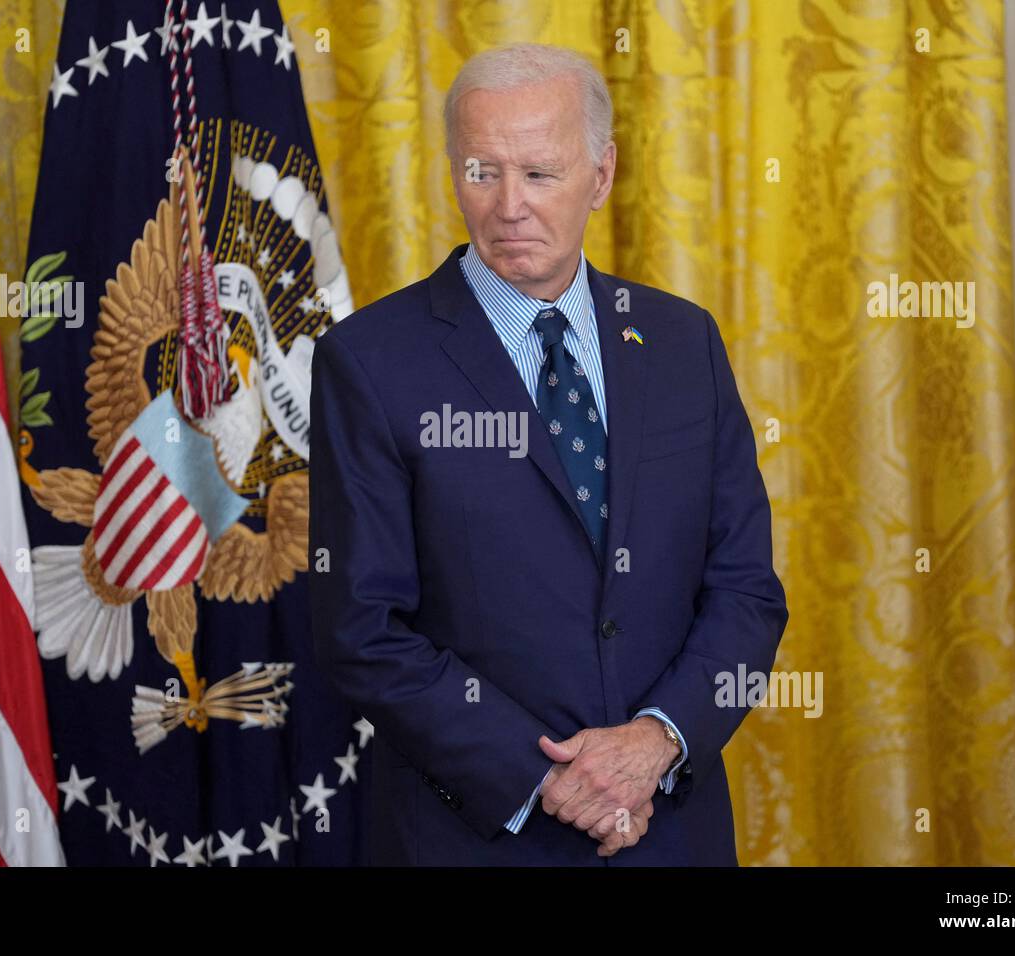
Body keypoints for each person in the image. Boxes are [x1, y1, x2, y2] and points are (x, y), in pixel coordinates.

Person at [308, 42, 787, 866]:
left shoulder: (682, 343)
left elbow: (744, 589)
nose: (507, 207)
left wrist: (654, 743)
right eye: (481, 171)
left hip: (670, 829)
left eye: (539, 173)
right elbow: (363, 628)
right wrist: (551, 782)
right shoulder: (370, 361)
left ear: (600, 177)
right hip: (474, 836)